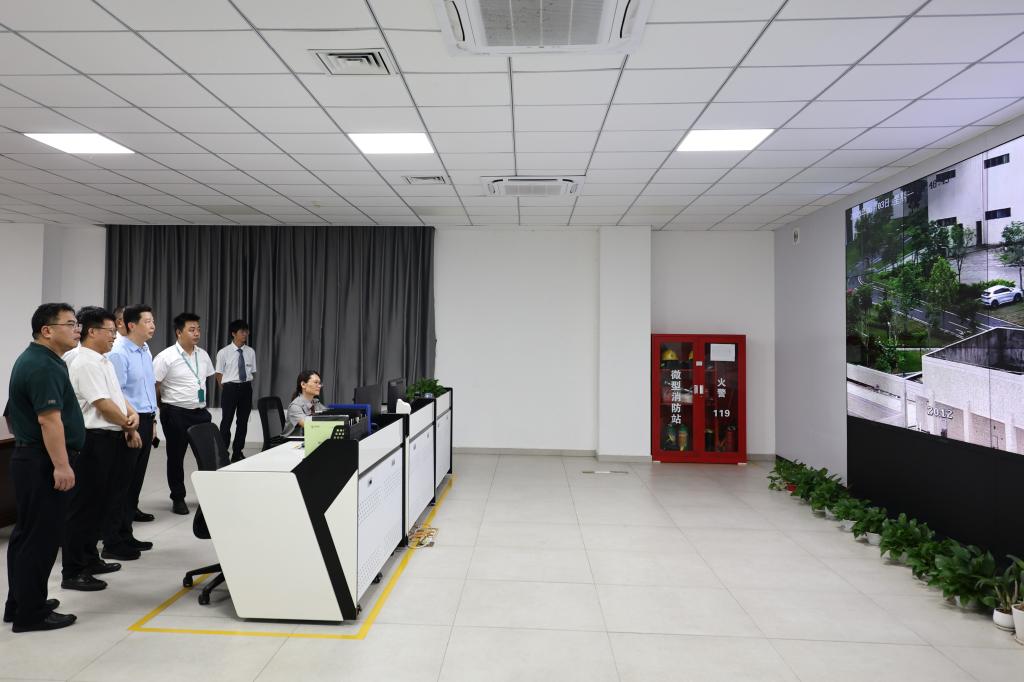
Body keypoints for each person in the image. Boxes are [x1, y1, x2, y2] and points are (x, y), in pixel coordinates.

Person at [4, 303, 82, 632]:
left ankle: (21, 602)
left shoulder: (40, 359)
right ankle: (31, 614)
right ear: (47, 330)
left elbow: (14, 413)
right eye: (70, 324)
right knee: (41, 539)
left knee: (27, 535)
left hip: (32, 458)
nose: (77, 329)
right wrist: (61, 465)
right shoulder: (43, 366)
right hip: (42, 462)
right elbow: (49, 420)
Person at [62, 307, 142, 591]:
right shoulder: (84, 362)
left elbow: (116, 397)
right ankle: (73, 570)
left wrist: (132, 414)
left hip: (109, 438)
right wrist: (129, 426)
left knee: (99, 504)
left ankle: (90, 558)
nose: (114, 336)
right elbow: (102, 404)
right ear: (92, 331)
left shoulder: (103, 360)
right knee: (83, 507)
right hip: (93, 440)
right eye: (110, 331)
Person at [152, 312, 214, 515]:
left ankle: (210, 496)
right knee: (176, 457)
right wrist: (162, 407)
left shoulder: (203, 355)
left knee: (207, 456)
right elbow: (155, 385)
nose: (197, 333)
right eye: (191, 329)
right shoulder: (166, 357)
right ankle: (178, 498)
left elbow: (204, 380)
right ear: (179, 332)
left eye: (198, 329)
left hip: (200, 413)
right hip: (175, 413)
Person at [108, 304, 158, 527]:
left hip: (146, 419)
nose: (153, 325)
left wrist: (153, 421)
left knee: (136, 478)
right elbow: (116, 393)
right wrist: (129, 427)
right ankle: (115, 534)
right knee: (122, 481)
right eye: (147, 321)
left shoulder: (145, 349)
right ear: (131, 325)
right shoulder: (119, 353)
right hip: (130, 422)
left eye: (152, 321)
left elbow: (148, 388)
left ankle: (126, 529)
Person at [215, 319, 256, 462]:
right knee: (226, 421)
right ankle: (223, 453)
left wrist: (244, 386)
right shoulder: (223, 352)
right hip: (230, 388)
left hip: (246, 388)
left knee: (243, 422)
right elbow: (218, 374)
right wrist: (227, 388)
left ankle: (237, 452)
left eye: (246, 331)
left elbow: (252, 372)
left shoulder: (250, 352)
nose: (245, 334)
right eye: (242, 331)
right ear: (233, 333)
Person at [282, 370, 324, 438]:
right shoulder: (295, 406)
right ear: (303, 384)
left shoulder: (316, 402)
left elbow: (329, 415)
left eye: (319, 383)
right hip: (293, 442)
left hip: (309, 438)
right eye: (316, 382)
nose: (319, 386)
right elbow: (311, 425)